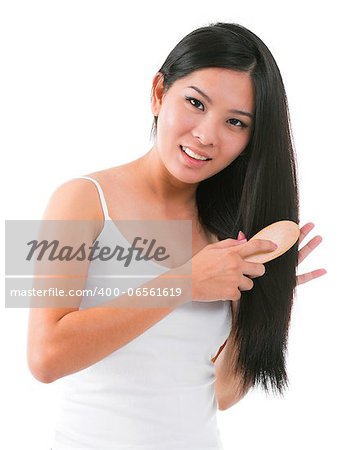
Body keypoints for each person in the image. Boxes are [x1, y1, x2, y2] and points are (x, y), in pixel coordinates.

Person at [27, 22, 326, 450]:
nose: (206, 135)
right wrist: (184, 283)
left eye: (236, 122)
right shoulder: (79, 199)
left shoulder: (226, 233)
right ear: (158, 93)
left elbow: (222, 395)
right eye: (195, 102)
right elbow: (44, 357)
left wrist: (262, 303)